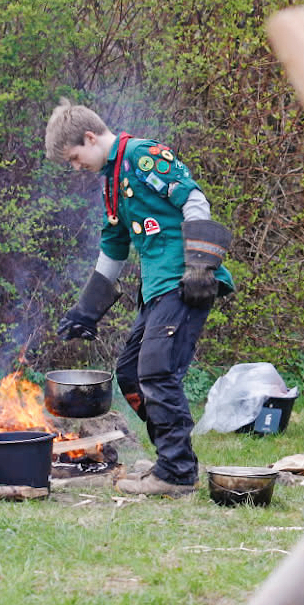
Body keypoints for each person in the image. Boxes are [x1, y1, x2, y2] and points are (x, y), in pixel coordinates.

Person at [45, 99, 234, 497]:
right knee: (131, 375)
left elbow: (195, 200)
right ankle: (171, 460)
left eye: (76, 157)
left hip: (184, 282)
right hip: (154, 290)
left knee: (157, 374)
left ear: (90, 137)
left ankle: (177, 474)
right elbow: (114, 246)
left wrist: (200, 266)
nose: (76, 167)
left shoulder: (144, 156)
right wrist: (87, 310)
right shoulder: (112, 185)